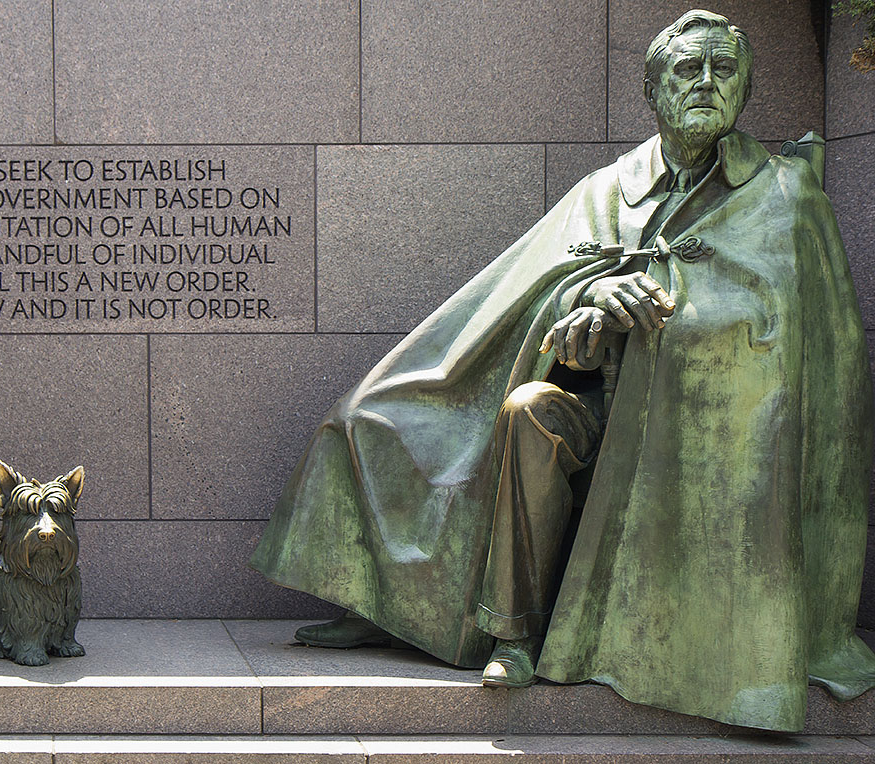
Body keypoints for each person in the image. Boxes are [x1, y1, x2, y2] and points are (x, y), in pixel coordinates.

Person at [250, 10, 875, 731]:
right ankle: (487, 627)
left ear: (745, 87)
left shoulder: (786, 197)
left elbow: (811, 358)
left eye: (723, 69)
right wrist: (588, 296)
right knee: (416, 414)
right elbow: (534, 292)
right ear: (652, 88)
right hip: (597, 404)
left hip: (703, 434)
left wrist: (678, 311)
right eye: (687, 69)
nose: (706, 82)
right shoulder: (607, 189)